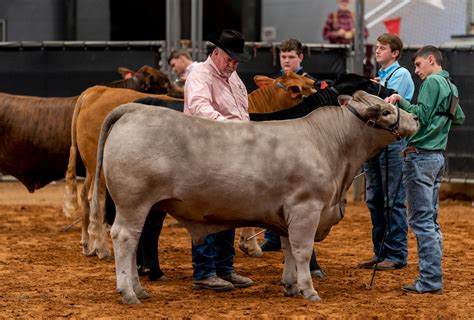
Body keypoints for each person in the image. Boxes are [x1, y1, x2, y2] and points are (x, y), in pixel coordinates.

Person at [385, 45, 465, 294]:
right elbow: (458, 117)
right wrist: (441, 121)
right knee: (430, 220)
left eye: (419, 65)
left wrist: (401, 101)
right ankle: (432, 276)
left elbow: (423, 115)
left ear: (431, 60)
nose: (417, 70)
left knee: (421, 222)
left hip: (420, 157)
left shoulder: (432, 83)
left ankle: (430, 280)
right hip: (437, 157)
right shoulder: (451, 85)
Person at [183, 29, 254, 291]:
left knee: (228, 211)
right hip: (204, 151)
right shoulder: (200, 75)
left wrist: (243, 131)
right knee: (207, 213)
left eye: (236, 61)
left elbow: (243, 110)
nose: (233, 65)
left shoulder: (233, 77)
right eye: (230, 59)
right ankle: (204, 271)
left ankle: (224, 268)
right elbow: (200, 107)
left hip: (230, 151)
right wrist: (230, 128)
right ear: (216, 53)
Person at [258, 37, 325, 278]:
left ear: (300, 58)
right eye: (283, 57)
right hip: (276, 141)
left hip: (300, 144)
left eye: (290, 57)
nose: (286, 61)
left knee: (301, 201)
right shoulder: (275, 82)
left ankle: (311, 260)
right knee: (275, 192)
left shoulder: (309, 83)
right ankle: (272, 238)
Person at [358, 33, 415, 271]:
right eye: (377, 47)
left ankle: (396, 253)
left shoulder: (400, 75)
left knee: (391, 199)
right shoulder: (381, 76)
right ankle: (380, 252)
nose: (378, 51)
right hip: (376, 142)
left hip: (392, 142)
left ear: (395, 53)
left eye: (383, 48)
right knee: (375, 199)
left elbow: (385, 109)